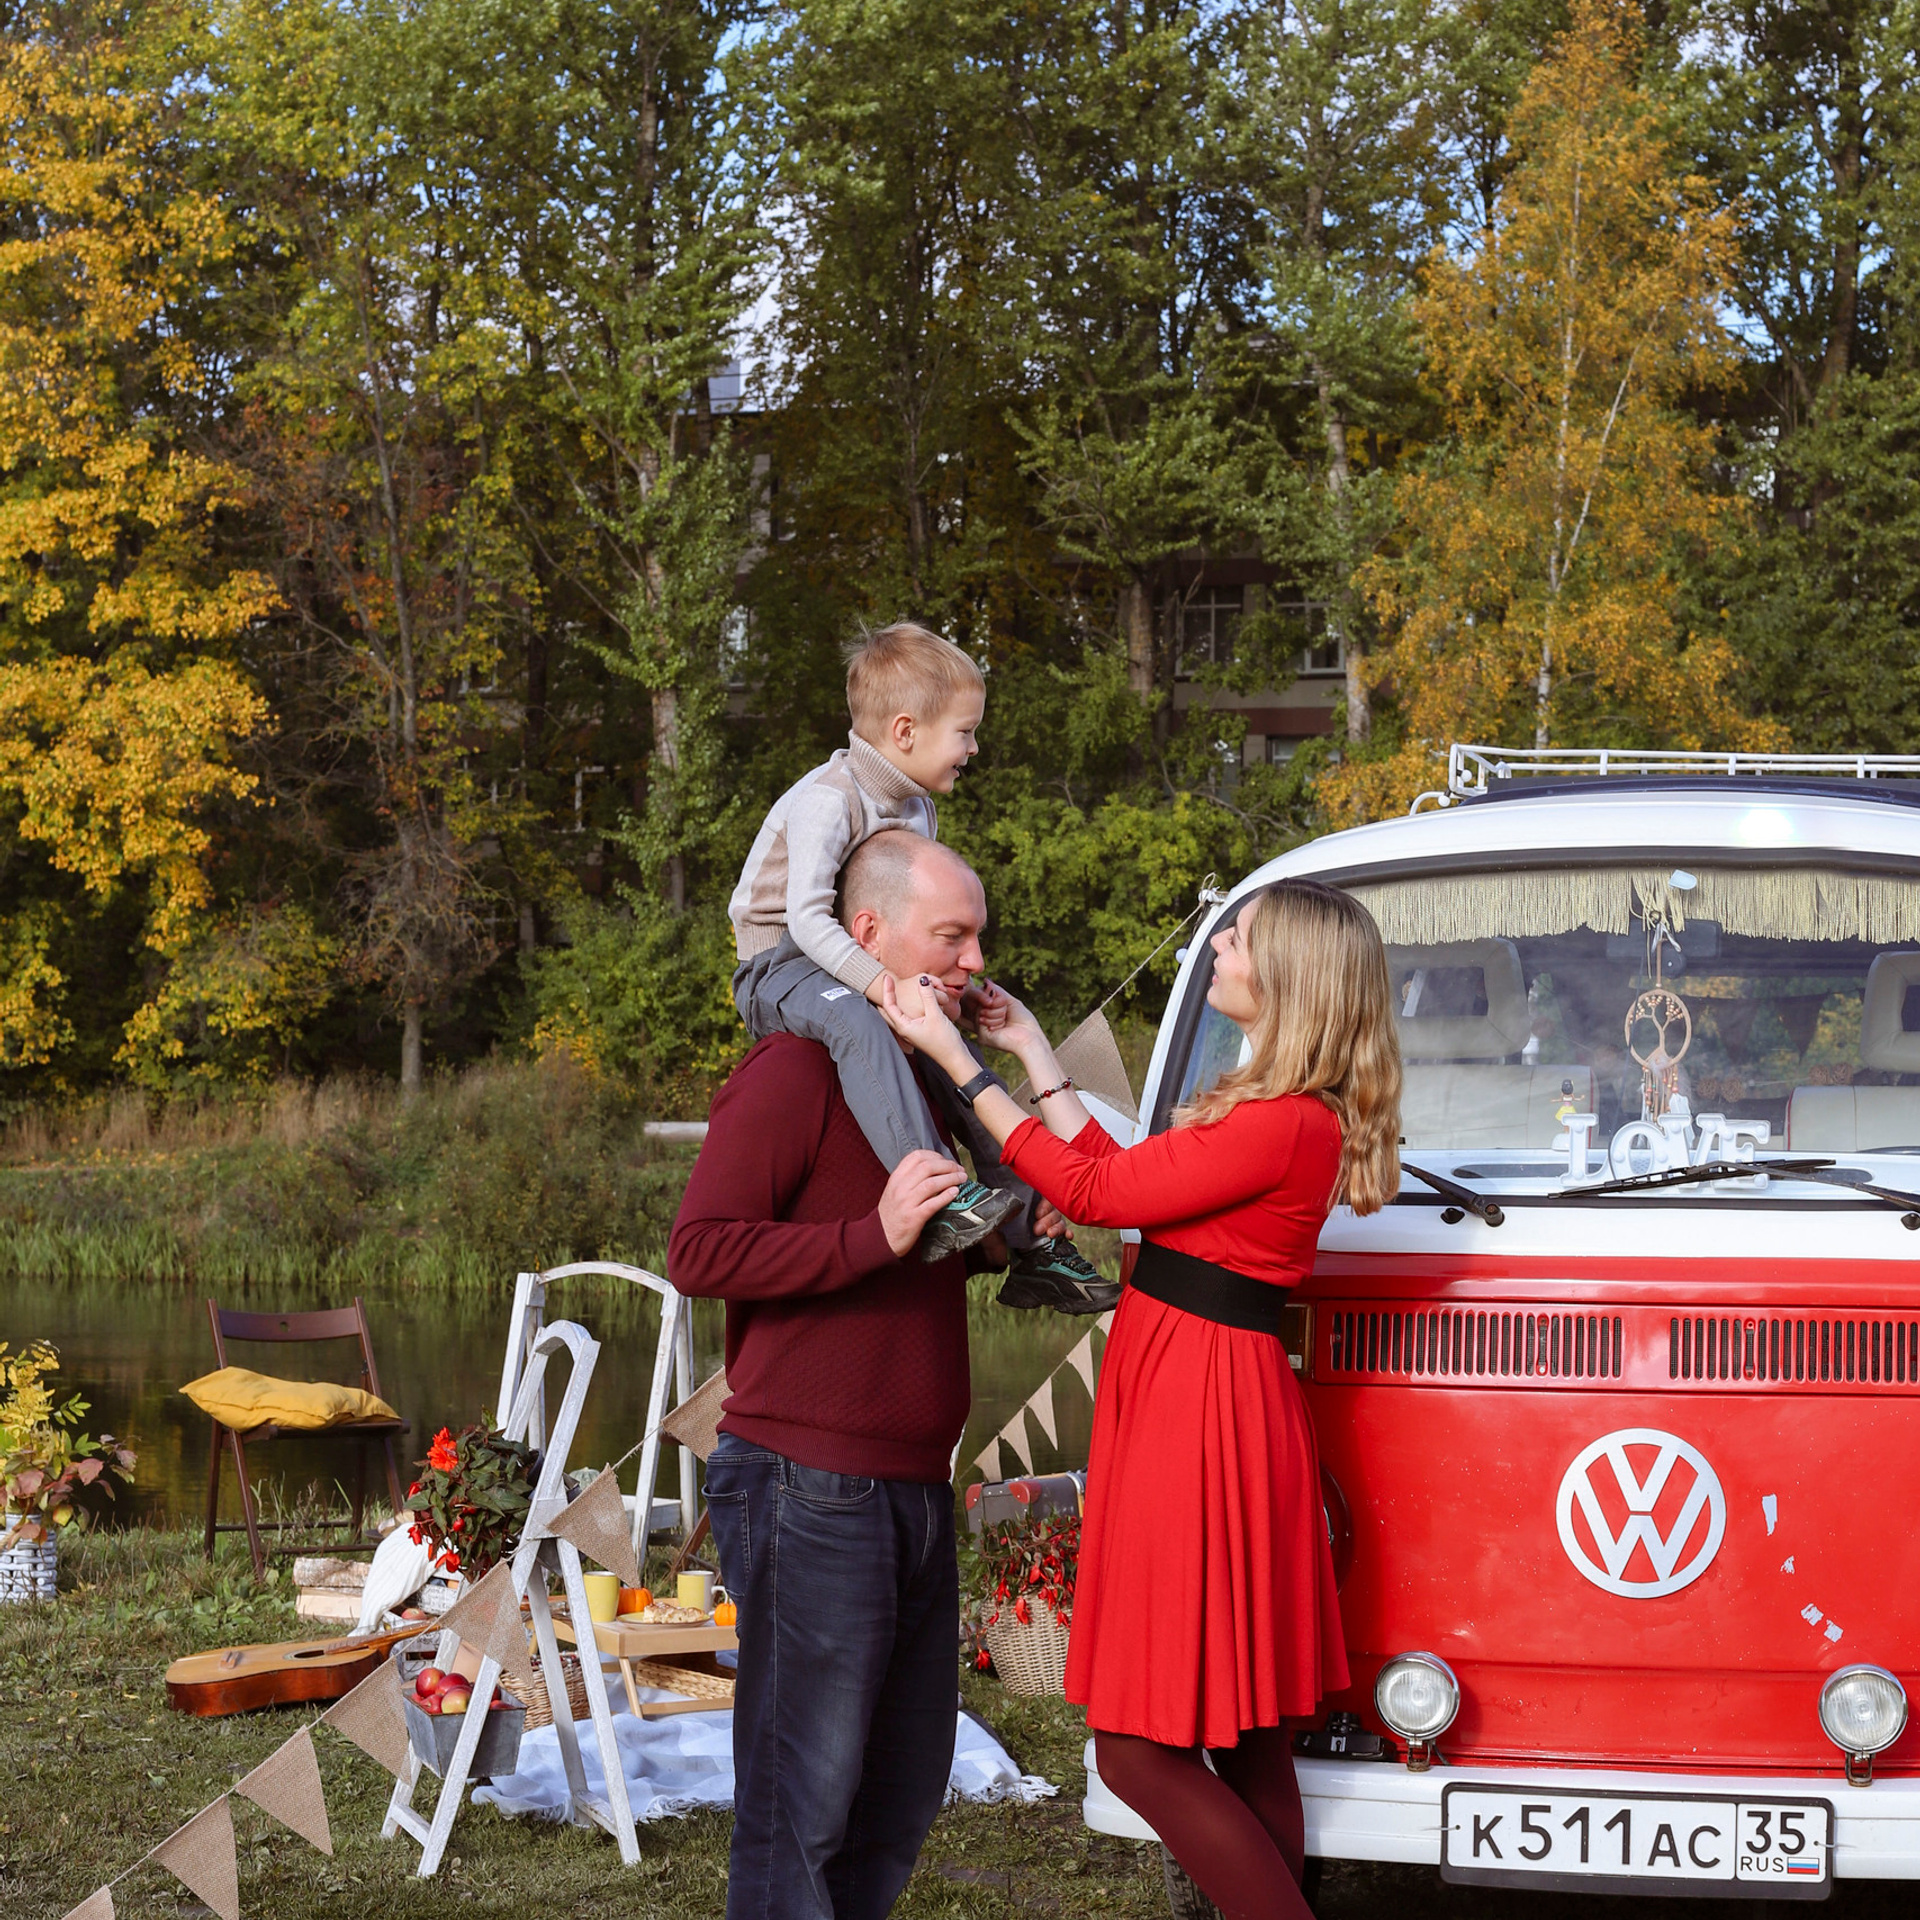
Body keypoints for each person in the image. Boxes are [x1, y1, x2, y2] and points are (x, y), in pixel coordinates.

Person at [877, 879, 1403, 1920]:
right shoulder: (1270, 1110)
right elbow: (1124, 1178)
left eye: (1238, 939)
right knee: (1250, 1742)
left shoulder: (1283, 1120)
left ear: (1289, 976)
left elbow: (1093, 1197)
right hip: (1204, 1398)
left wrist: (955, 1059)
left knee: (1134, 1753)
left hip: (1199, 1413)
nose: (1219, 951)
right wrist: (1033, 1052)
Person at [671, 833, 1073, 1920]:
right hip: (806, 1485)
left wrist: (1000, 1236)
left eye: (978, 934)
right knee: (803, 1805)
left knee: (899, 1789)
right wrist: (870, 1234)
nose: (974, 958)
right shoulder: (798, 1066)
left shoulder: (923, 1077)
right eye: (952, 934)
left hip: (908, 1484)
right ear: (868, 937)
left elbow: (942, 1252)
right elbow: (698, 1251)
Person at [728, 620, 1110, 1311]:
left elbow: (894, 918)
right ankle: (936, 1193)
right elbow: (810, 921)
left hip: (849, 958)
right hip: (778, 963)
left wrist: (934, 993)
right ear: (905, 732)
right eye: (964, 732)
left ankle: (1030, 1236)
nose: (972, 747)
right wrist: (886, 987)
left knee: (947, 1042)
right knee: (865, 1027)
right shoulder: (828, 799)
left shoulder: (916, 807)